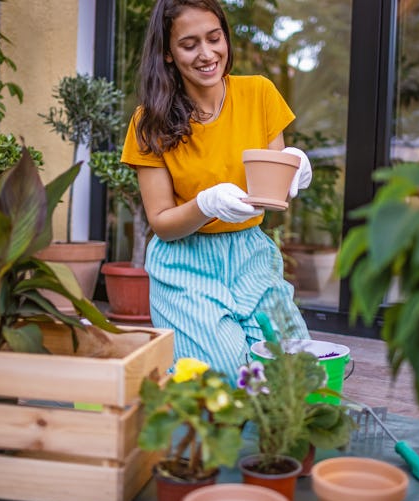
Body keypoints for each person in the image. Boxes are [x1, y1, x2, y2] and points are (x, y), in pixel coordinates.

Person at [120, 0, 312, 378]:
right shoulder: (150, 121)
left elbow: (274, 187)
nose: (207, 54)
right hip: (185, 263)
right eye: (190, 45)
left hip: (251, 254)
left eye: (214, 38)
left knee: (294, 370)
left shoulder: (259, 94)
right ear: (168, 54)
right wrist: (206, 205)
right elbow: (161, 222)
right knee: (224, 373)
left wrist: (295, 168)